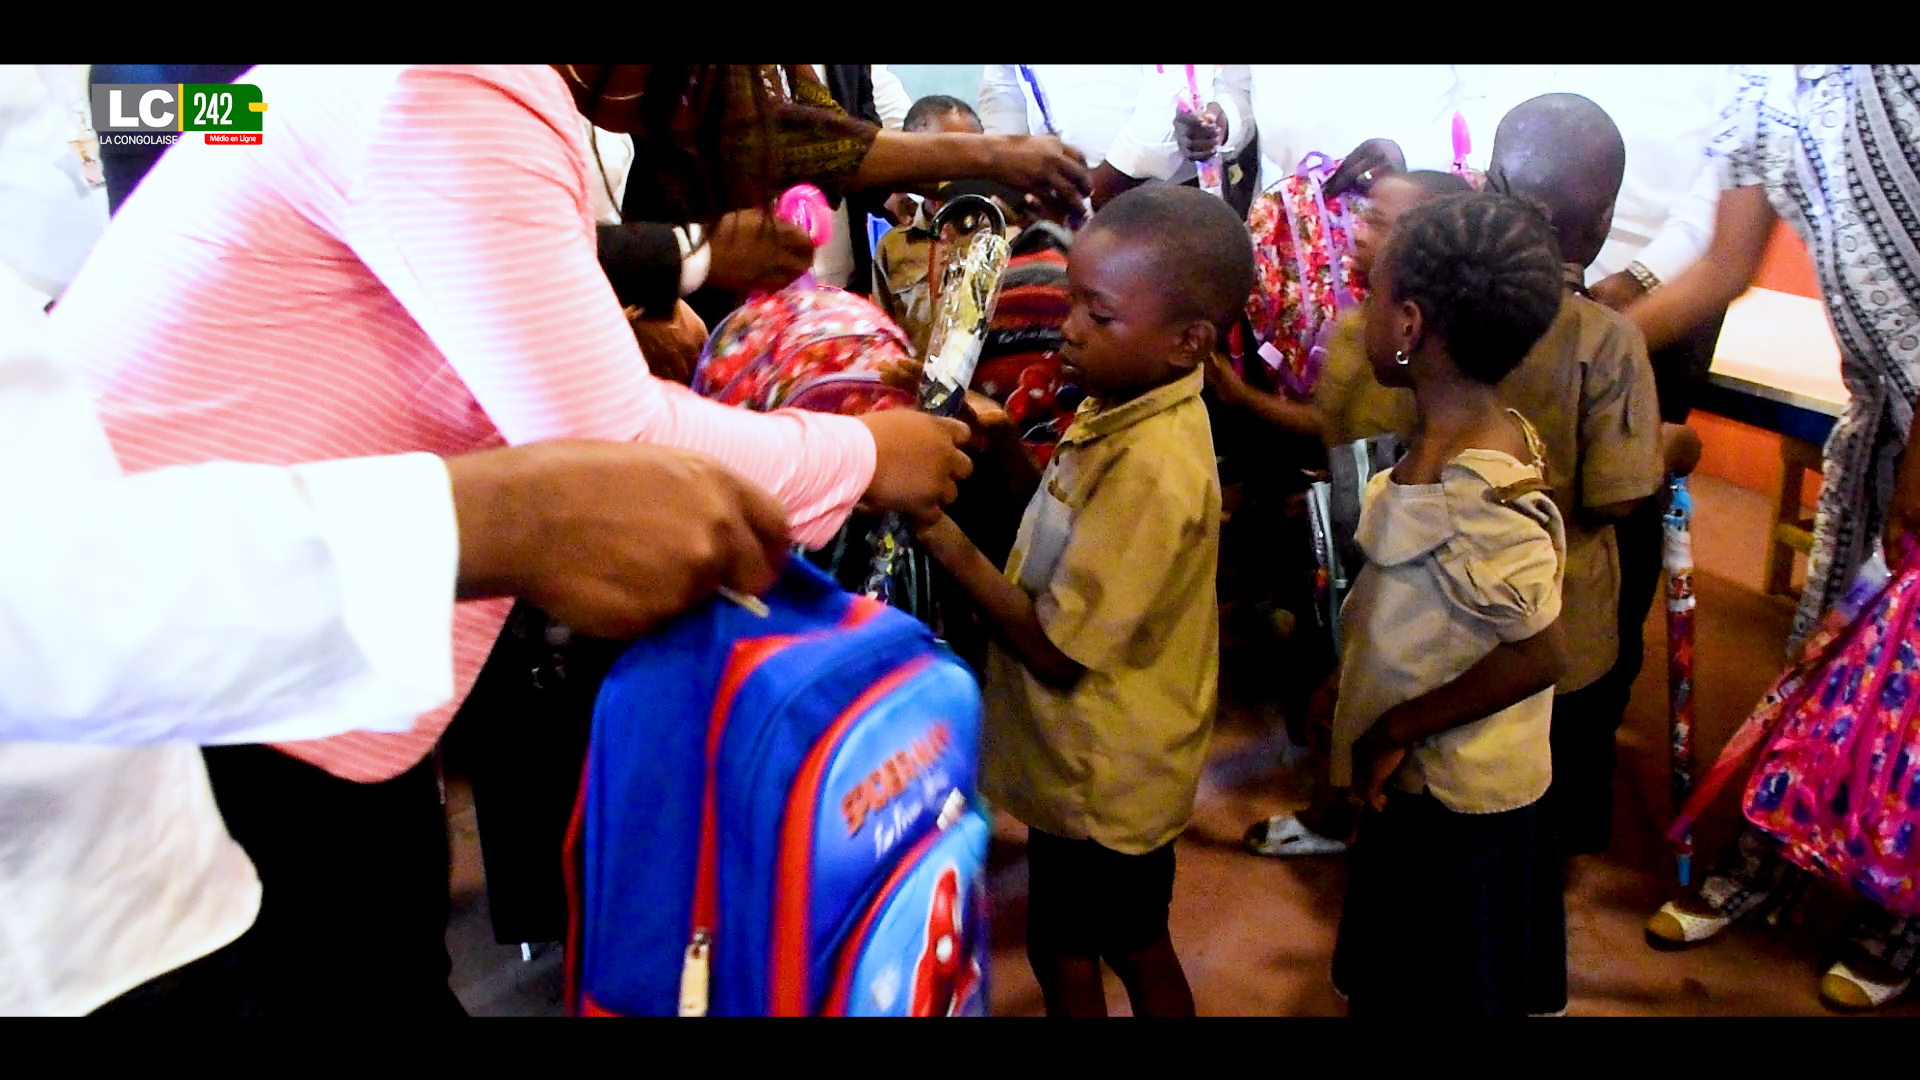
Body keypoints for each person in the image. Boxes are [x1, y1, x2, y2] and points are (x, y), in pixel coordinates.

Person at [48, 63, 979, 1015]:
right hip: (205, 673)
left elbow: (492, 254)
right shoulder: (435, 84)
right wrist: (864, 451)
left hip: (277, 645)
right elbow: (619, 455)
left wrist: (680, 270)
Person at [0, 259, 799, 1015]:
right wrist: (469, 524)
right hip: (103, 857)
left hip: (162, 811)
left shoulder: (236, 116)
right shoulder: (255, 116)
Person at [911, 185, 1253, 1017]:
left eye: (1098, 316)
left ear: (1187, 344)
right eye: (1072, 303)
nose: (1068, 329)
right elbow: (1058, 530)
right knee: (1112, 936)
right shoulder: (1121, 408)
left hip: (1106, 772)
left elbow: (1057, 650)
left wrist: (934, 530)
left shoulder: (1151, 466)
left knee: (1092, 946)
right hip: (1100, 764)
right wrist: (1000, 456)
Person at [1631, 65, 1920, 1012]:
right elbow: (1722, 266)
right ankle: (1779, 856)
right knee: (1826, 662)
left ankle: (1900, 916)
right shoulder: (1769, 88)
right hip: (1882, 420)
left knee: (1908, 705)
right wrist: (1594, 347)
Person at [1325, 189, 1569, 1017]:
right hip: (1423, 779)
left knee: (1437, 990)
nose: (1362, 309)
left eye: (1373, 293)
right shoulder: (1447, 446)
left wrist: (1397, 726)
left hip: (1460, 806)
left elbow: (1540, 652)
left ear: (1409, 327)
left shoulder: (1477, 489)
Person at [1210, 169, 1472, 859]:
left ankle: (1340, 817)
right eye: (1364, 215)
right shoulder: (1359, 327)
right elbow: (1337, 432)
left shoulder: (1435, 355)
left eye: (1384, 222)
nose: (1358, 230)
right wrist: (1239, 400)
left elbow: (1403, 454)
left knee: (1365, 688)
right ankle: (1339, 802)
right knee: (1338, 682)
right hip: (1350, 539)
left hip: (1398, 548)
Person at [978, 64, 1256, 211]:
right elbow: (1003, 87)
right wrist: (1014, 183)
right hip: (1066, 196)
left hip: (1156, 195)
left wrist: (1093, 194)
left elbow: (1174, 94)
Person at [872, 95, 990, 356]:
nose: (957, 173)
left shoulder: (1003, 237)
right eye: (944, 159)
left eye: (972, 158)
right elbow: (885, 338)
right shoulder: (894, 247)